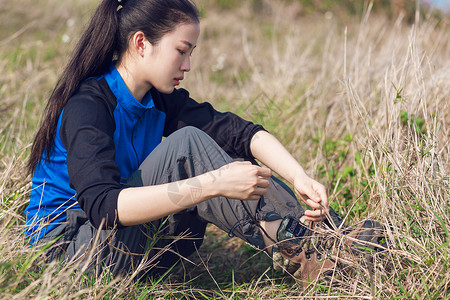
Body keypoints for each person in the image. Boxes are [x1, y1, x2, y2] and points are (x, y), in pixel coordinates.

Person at [25, 0, 384, 286]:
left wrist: (298, 175)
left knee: (201, 147)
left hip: (123, 246)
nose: (189, 64)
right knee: (187, 147)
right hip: (67, 254)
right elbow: (104, 207)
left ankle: (322, 245)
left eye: (191, 52)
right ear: (140, 44)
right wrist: (212, 185)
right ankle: (312, 251)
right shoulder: (89, 106)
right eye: (181, 50)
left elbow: (239, 133)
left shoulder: (157, 99)